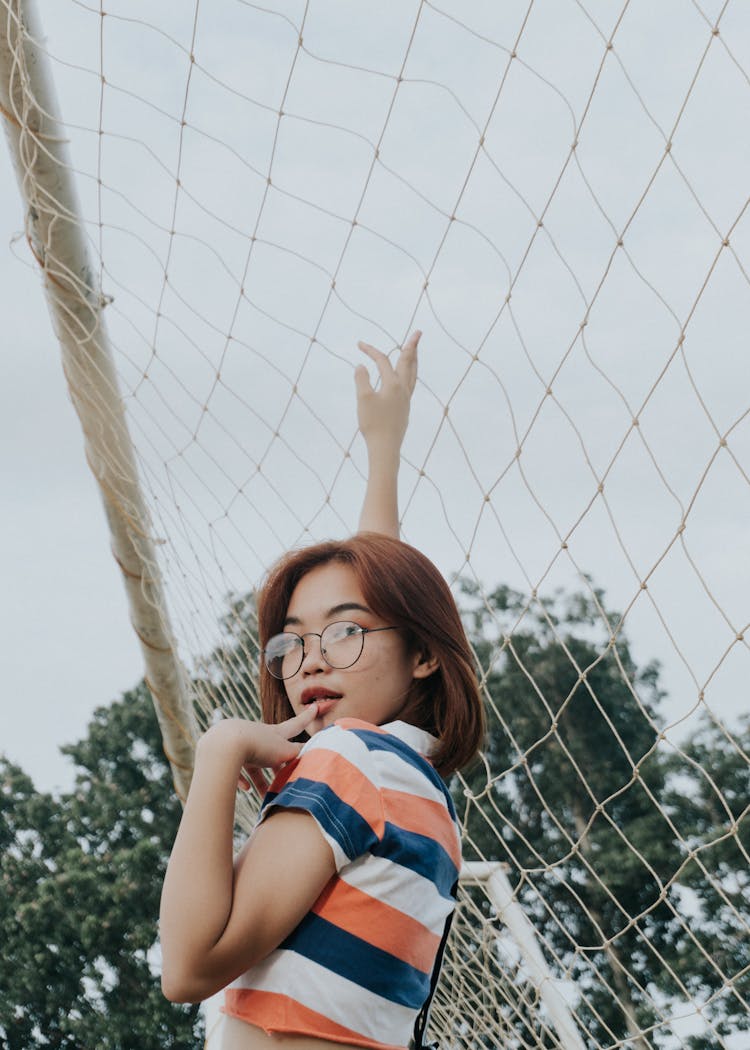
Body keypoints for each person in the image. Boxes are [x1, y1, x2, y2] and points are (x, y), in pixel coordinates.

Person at [160, 331, 486, 1050]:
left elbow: (186, 968)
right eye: (292, 642)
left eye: (341, 634)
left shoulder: (355, 760)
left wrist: (220, 751)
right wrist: (383, 449)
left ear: (425, 654)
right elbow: (375, 614)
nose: (310, 661)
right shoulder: (411, 778)